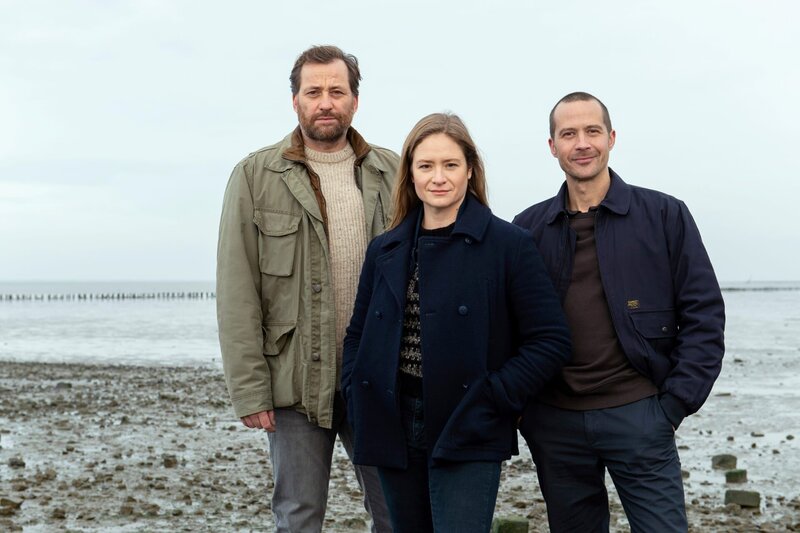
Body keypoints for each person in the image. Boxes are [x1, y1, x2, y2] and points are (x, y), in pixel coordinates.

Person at [342, 113, 571, 533]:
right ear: (409, 173)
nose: (438, 178)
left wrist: (495, 397)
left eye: (450, 165)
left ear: (470, 170)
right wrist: (356, 391)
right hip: (391, 419)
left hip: (468, 418)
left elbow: (550, 341)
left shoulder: (508, 245)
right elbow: (358, 332)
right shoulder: (385, 248)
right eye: (426, 166)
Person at [513, 92, 726, 532]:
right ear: (552, 146)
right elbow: (507, 326)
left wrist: (674, 405)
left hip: (640, 415)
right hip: (555, 424)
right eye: (568, 134)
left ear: (611, 138)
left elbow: (703, 313)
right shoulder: (527, 229)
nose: (582, 143)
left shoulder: (664, 215)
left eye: (592, 131)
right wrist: (523, 412)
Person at [216, 45, 398, 532]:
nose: (325, 102)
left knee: (396, 513)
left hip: (378, 380)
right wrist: (249, 391)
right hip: (294, 383)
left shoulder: (394, 172)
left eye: (336, 91)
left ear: (355, 102)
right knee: (297, 517)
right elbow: (237, 290)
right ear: (294, 100)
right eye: (313, 91)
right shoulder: (255, 176)